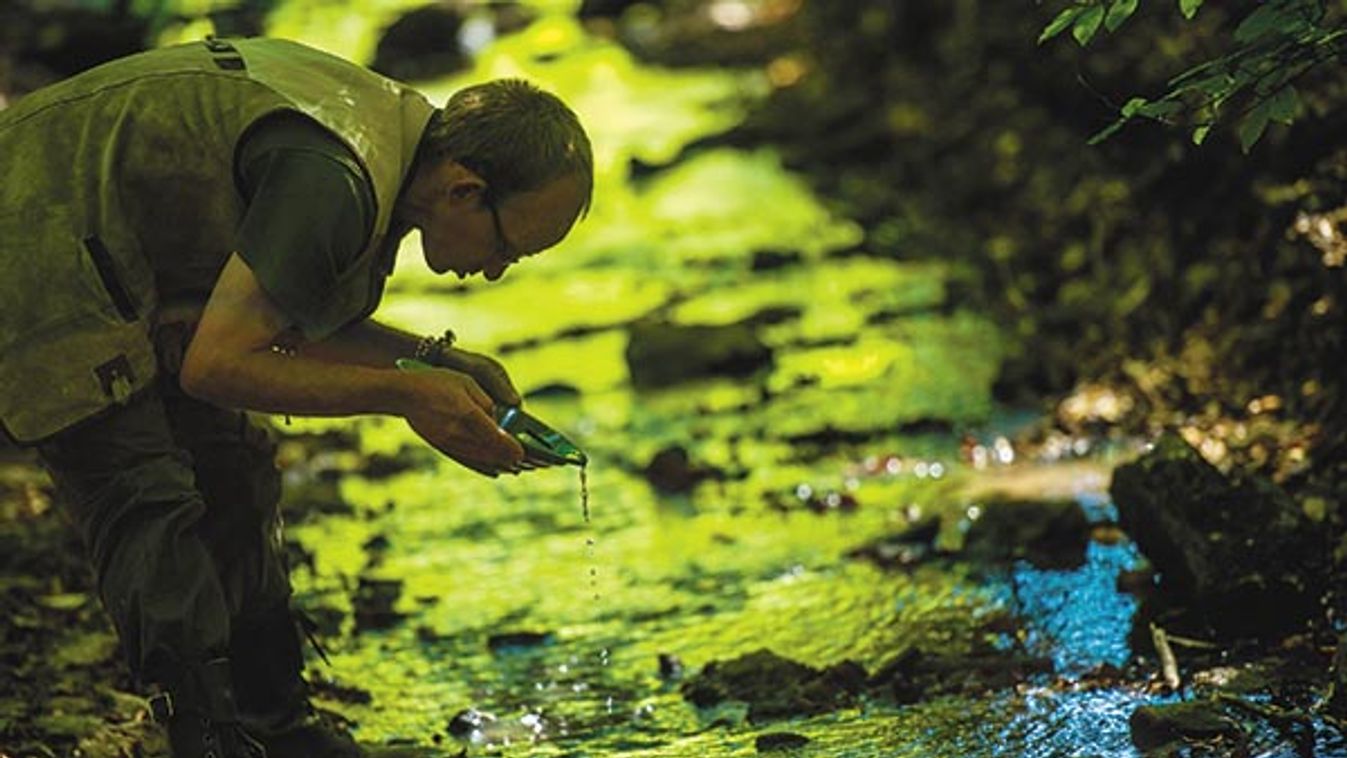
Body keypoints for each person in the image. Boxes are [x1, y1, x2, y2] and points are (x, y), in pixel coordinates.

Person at [0, 36, 593, 758]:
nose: (498, 271)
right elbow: (217, 364)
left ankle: (276, 727)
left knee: (234, 471)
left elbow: (283, 315)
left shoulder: (395, 151)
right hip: (35, 231)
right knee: (147, 493)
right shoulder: (335, 178)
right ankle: (206, 740)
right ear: (464, 189)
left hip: (119, 247)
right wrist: (408, 395)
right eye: (508, 247)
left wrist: (439, 362)